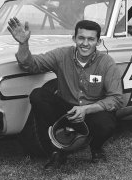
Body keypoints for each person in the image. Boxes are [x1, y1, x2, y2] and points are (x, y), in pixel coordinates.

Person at [7, 17, 124, 169]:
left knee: (106, 123)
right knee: (38, 95)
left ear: (98, 42)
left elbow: (117, 98)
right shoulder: (62, 55)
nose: (85, 43)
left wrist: (86, 109)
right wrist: (23, 44)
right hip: (66, 111)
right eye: (81, 38)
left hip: (91, 112)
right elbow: (31, 65)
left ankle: (96, 148)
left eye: (91, 39)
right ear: (74, 38)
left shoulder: (106, 62)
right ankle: (56, 151)